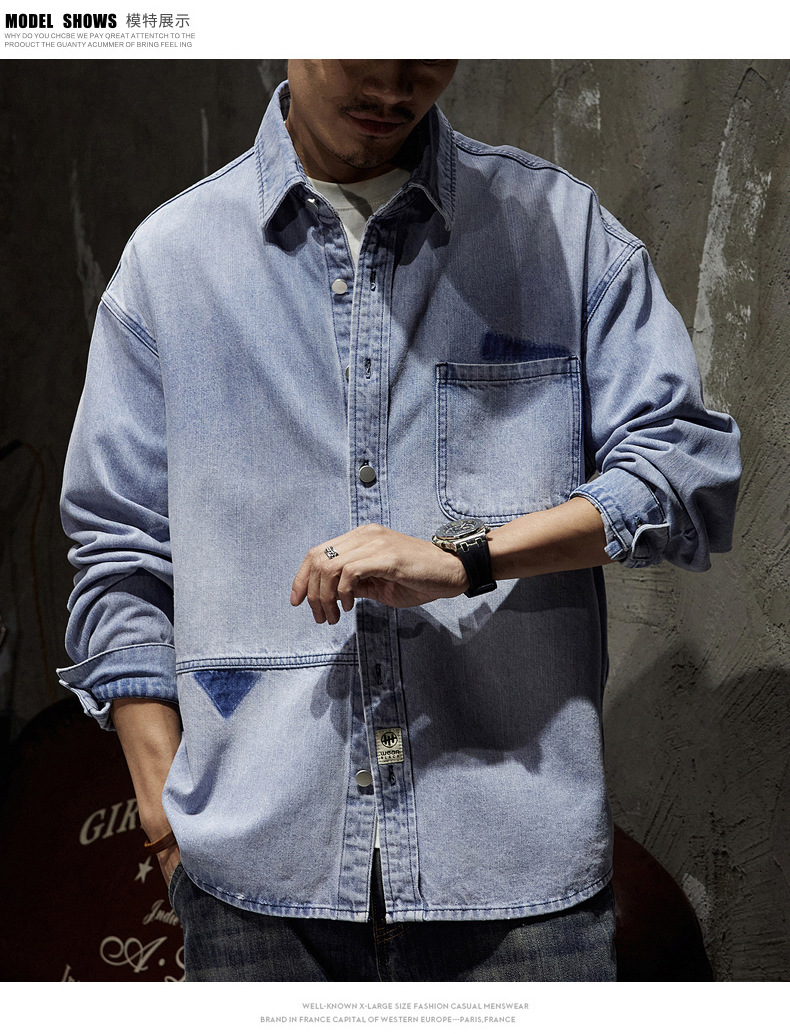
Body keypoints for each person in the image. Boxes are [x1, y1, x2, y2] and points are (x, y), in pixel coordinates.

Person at [57, 60, 741, 981]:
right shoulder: (171, 264)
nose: (392, 84)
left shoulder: (561, 235)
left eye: (424, 50)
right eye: (361, 50)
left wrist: (469, 559)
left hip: (517, 892)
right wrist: (164, 823)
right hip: (256, 897)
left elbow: (685, 472)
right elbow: (118, 555)